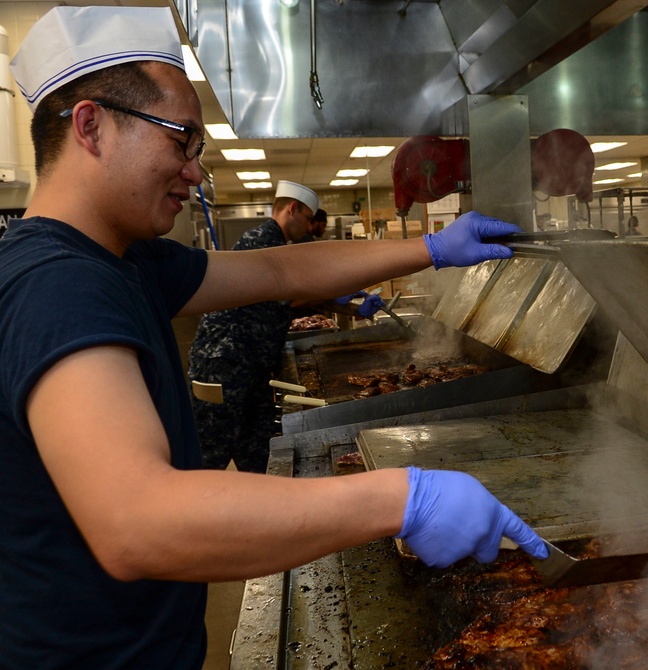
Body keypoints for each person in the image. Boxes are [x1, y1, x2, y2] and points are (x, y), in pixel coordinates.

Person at [0, 7, 547, 669]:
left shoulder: (125, 260)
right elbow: (137, 521)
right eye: (181, 141)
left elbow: (281, 268)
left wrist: (429, 247)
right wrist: (399, 498)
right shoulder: (57, 283)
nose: (194, 173)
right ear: (91, 126)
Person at [187, 181, 354, 473]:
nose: (307, 226)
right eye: (306, 219)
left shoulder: (276, 243)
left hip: (250, 364)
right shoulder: (262, 239)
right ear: (293, 209)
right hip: (223, 363)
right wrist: (340, 294)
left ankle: (259, 507)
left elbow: (295, 294)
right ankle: (196, 515)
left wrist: (347, 302)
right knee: (211, 453)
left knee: (259, 449)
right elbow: (291, 294)